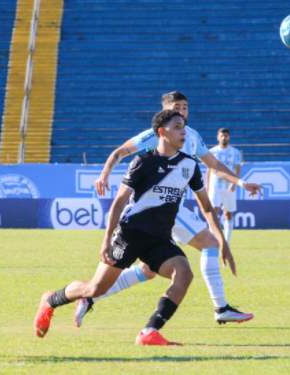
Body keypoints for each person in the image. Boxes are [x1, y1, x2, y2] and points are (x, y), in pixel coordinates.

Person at [34, 110, 234, 345]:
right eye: (178, 127)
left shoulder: (189, 165)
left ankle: (149, 332)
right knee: (94, 289)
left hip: (159, 239)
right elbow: (119, 202)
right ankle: (50, 300)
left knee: (183, 273)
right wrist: (106, 240)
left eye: (185, 127)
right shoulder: (143, 162)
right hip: (130, 235)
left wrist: (221, 241)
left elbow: (207, 208)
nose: (184, 132)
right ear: (162, 132)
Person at [77, 91, 259, 327]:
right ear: (165, 111)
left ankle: (90, 297)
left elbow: (214, 165)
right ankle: (221, 307)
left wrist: (242, 183)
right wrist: (104, 175)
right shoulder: (156, 136)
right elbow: (120, 151)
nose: (182, 111)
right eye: (177, 107)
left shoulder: (191, 136)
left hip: (171, 209)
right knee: (211, 244)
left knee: (147, 270)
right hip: (162, 209)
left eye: (185, 107)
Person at [206, 128, 243, 242]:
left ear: (229, 137)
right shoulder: (212, 152)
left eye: (226, 136)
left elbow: (237, 168)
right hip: (215, 186)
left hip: (228, 187)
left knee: (228, 213)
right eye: (222, 136)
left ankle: (227, 241)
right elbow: (209, 170)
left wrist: (234, 183)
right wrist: (207, 186)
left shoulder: (235, 152)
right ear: (218, 137)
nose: (224, 138)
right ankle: (213, 238)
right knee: (214, 212)